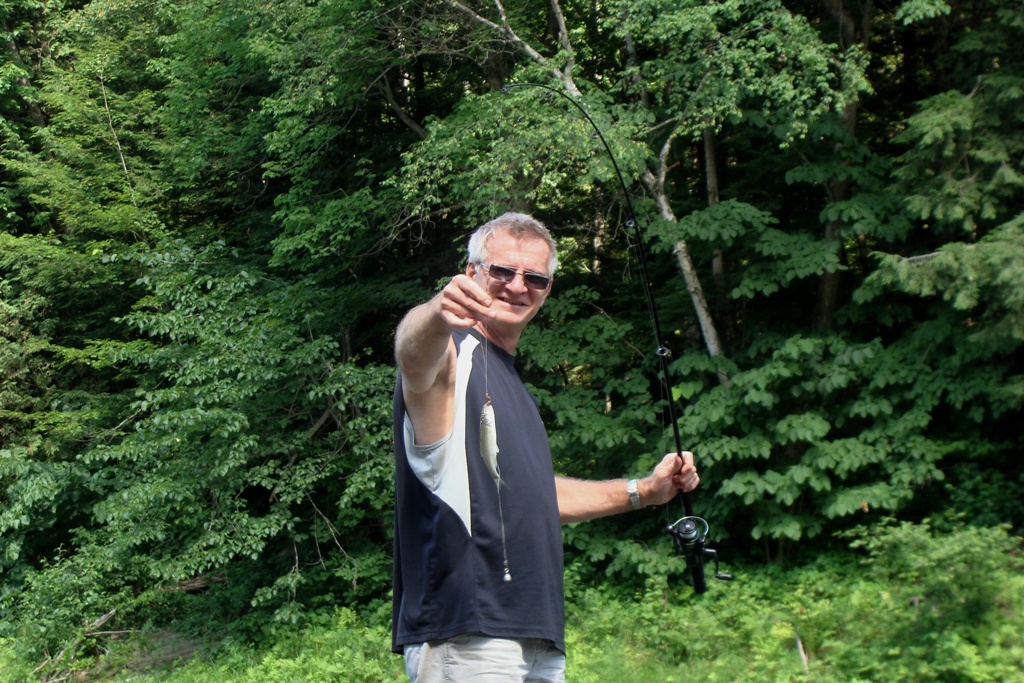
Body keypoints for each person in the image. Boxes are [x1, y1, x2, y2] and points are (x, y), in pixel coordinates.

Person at [392, 212, 700, 682]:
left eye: (534, 277)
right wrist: (436, 313)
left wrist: (643, 491)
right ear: (471, 272)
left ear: (547, 289)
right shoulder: (452, 355)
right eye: (502, 271)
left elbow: (536, 496)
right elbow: (413, 359)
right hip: (469, 633)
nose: (518, 286)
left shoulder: (515, 386)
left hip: (537, 639)